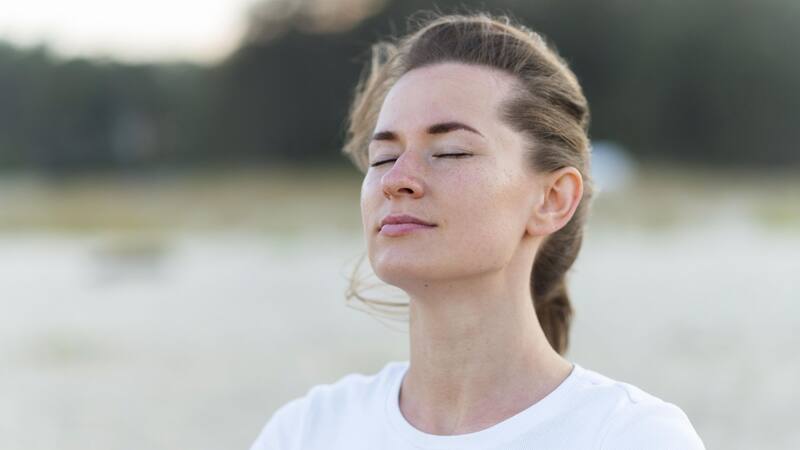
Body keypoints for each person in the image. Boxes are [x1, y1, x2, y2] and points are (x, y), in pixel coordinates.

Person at [250, 10, 705, 450]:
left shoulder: (628, 437)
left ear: (553, 199)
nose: (395, 180)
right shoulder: (310, 431)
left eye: (450, 152)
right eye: (383, 157)